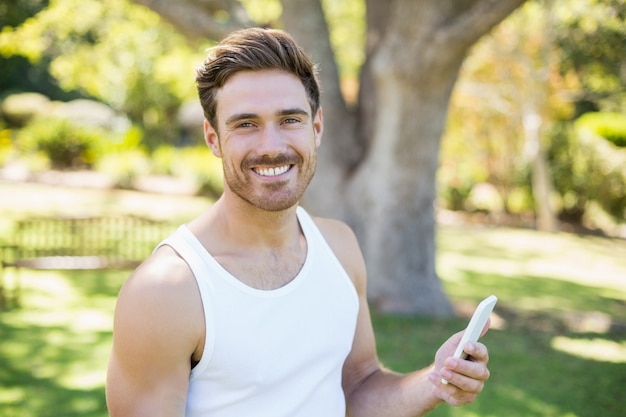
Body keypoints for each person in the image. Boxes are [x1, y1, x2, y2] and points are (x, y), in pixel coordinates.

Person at [105, 27, 491, 417]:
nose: (271, 146)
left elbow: (357, 387)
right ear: (213, 138)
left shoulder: (339, 247)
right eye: (245, 124)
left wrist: (436, 380)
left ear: (316, 127)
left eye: (289, 119)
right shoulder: (166, 292)